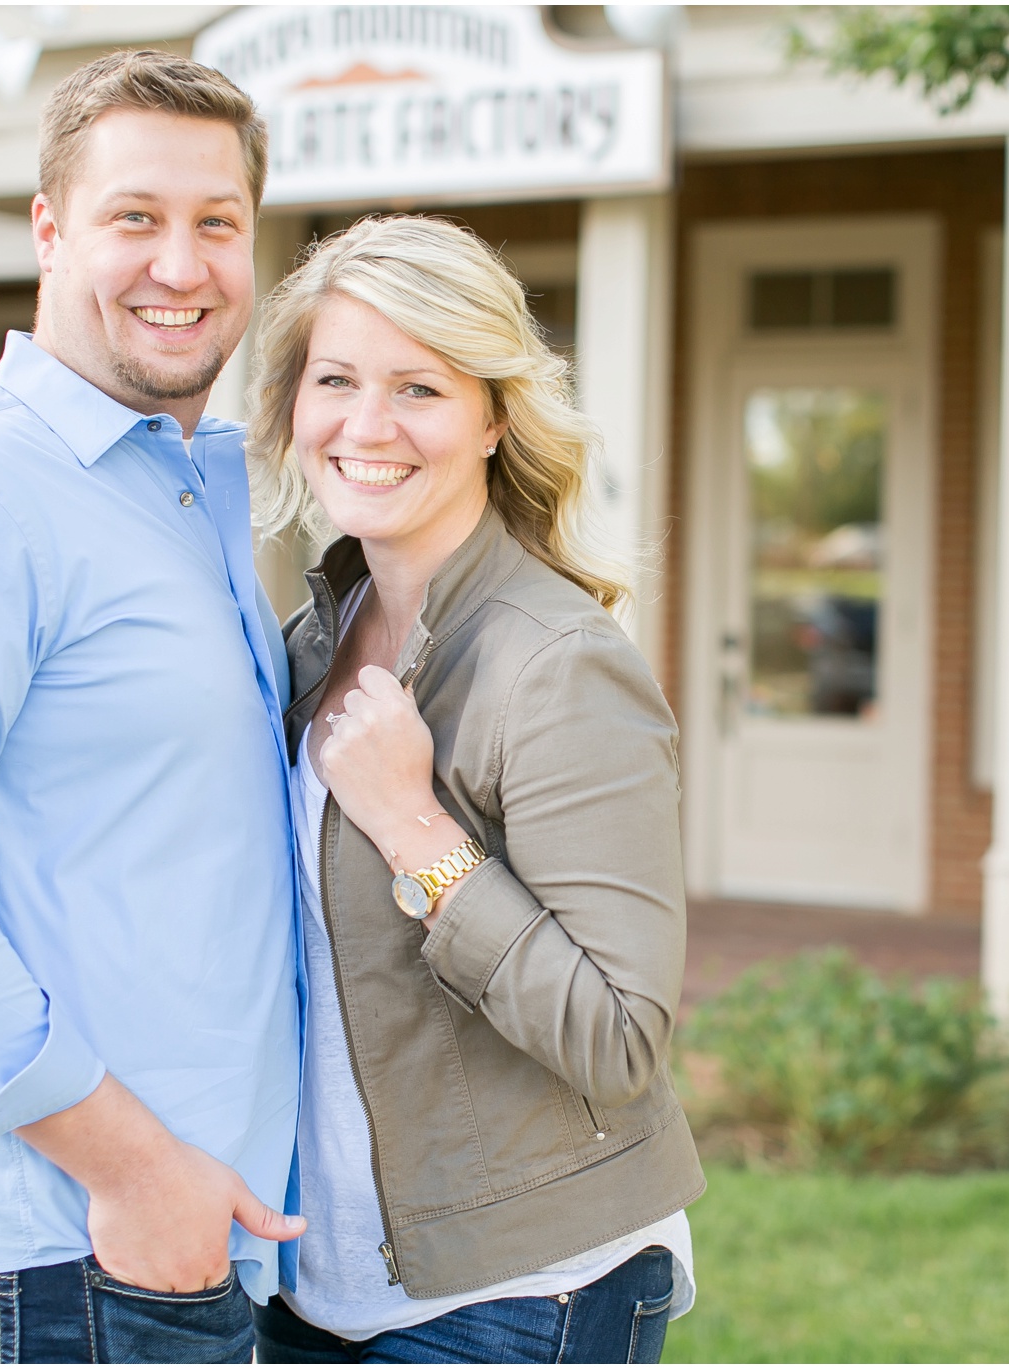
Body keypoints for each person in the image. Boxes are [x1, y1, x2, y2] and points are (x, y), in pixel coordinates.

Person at [0, 51, 303, 1364]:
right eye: (134, 217)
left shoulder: (183, 490)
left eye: (217, 224)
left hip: (179, 1251)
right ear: (48, 228)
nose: (181, 265)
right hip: (61, 1260)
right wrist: (136, 1174)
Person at [242, 215, 706, 1364]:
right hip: (325, 1279)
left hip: (519, 1292)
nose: (366, 425)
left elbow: (618, 1034)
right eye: (336, 379)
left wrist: (416, 830)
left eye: (419, 388)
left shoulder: (558, 663)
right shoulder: (313, 639)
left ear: (493, 416)